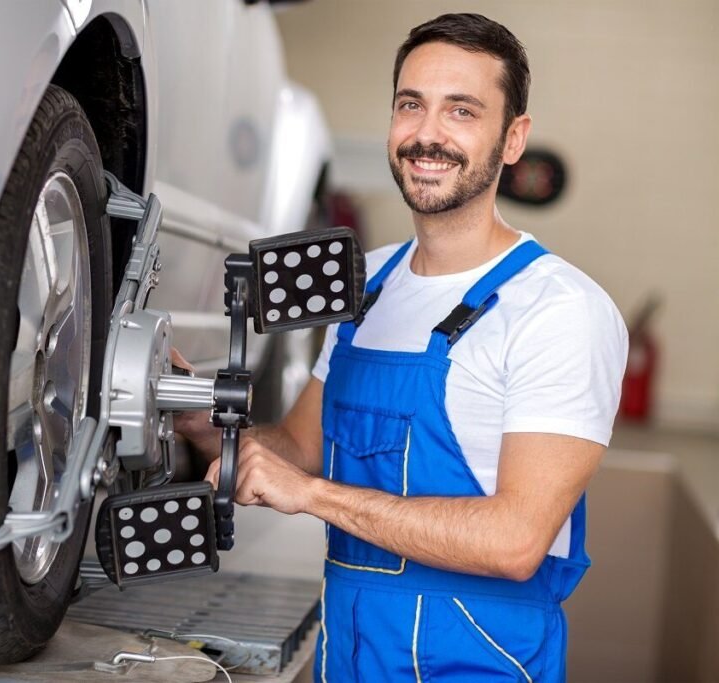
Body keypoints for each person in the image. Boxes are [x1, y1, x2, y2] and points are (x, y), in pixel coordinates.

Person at [176, 13, 628, 683]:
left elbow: (516, 540)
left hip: (477, 662)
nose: (427, 135)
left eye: (462, 111)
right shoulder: (370, 283)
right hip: (352, 651)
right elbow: (298, 449)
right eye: (410, 105)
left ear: (513, 140)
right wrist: (203, 424)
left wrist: (310, 494)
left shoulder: (559, 310)